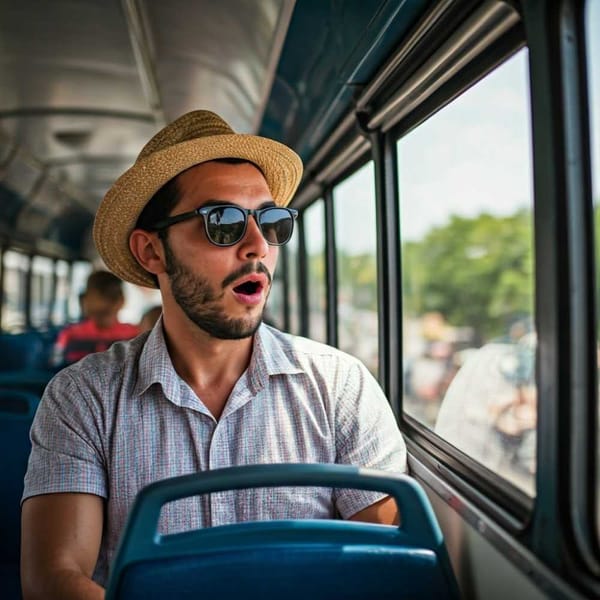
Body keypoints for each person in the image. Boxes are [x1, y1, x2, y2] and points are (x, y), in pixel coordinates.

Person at [21, 110, 407, 598]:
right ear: (152, 252)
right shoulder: (83, 398)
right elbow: (55, 579)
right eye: (221, 222)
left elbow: (388, 565)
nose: (256, 246)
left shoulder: (340, 386)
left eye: (271, 222)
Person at [51, 270, 140, 367]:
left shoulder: (70, 334)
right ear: (121, 300)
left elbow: (56, 365)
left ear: (86, 300)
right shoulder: (136, 335)